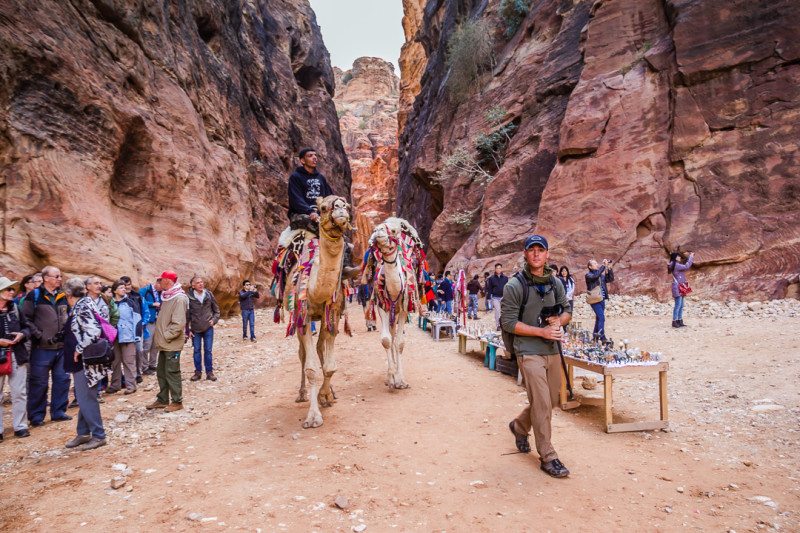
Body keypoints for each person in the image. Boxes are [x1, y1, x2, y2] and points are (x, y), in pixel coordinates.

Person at [501, 235, 572, 478]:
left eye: (541, 250)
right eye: (532, 250)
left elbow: (567, 310)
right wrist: (540, 331)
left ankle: (519, 426)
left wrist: (559, 321)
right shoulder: (514, 286)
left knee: (550, 401)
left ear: (547, 254)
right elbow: (509, 322)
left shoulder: (556, 283)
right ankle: (548, 456)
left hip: (551, 349)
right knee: (542, 402)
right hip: (527, 350)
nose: (536, 254)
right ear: (525, 253)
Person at [21, 265, 72, 426]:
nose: (59, 279)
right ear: (46, 278)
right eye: (56, 276)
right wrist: (39, 335)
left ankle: (58, 411)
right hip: (41, 348)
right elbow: (26, 320)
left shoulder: (63, 295)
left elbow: (69, 316)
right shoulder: (34, 296)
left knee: (62, 380)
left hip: (62, 346)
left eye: (59, 276)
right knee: (39, 382)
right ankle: (36, 416)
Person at [62, 277, 107, 451]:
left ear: (68, 293)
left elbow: (93, 331)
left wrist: (78, 348)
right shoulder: (85, 303)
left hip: (86, 361)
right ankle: (83, 432)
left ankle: (98, 435)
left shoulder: (82, 306)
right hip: (85, 360)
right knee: (84, 397)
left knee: (87, 397)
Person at [147, 271, 188, 412]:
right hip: (165, 343)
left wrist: (166, 336)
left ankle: (177, 401)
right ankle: (163, 399)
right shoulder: (168, 296)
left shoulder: (179, 298)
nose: (158, 281)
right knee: (161, 372)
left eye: (160, 279)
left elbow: (178, 323)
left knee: (172, 371)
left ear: (167, 281)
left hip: (172, 343)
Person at [0, 277, 31, 440]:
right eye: (8, 289)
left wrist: (22, 335)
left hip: (16, 354)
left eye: (12, 289)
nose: (12, 291)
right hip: (1, 355)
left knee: (19, 392)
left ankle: (21, 426)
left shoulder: (16, 308)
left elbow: (27, 327)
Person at [287, 147, 334, 233]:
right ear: (302, 161)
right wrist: (310, 212)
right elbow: (296, 199)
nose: (314, 157)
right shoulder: (296, 177)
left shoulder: (321, 178)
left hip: (320, 214)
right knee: (320, 228)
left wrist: (337, 200)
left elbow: (329, 196)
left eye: (315, 155)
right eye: (310, 156)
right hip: (301, 214)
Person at [108, 281, 140, 395]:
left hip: (128, 336)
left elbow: (137, 319)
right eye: (121, 287)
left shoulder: (130, 302)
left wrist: (137, 335)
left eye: (124, 287)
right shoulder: (110, 304)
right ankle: (115, 385)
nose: (124, 289)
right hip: (114, 336)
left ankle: (131, 385)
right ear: (115, 290)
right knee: (115, 362)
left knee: (129, 361)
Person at [187, 275, 220, 382]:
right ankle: (197, 373)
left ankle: (209, 373)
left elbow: (217, 310)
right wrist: (188, 329)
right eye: (198, 283)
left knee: (208, 350)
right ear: (193, 285)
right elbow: (187, 315)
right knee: (196, 351)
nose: (201, 284)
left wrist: (214, 320)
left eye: (202, 282)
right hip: (195, 329)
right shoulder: (189, 297)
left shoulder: (209, 294)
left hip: (208, 328)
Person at [119, 276, 145, 382]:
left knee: (139, 350)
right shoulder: (118, 297)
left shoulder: (137, 296)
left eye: (128, 284)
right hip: (124, 329)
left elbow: (142, 310)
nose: (127, 287)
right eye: (124, 285)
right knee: (126, 353)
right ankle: (128, 375)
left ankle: (138, 373)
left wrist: (143, 323)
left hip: (137, 327)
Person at [585, 259, 615, 341]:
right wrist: (603, 266)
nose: (596, 264)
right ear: (590, 267)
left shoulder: (601, 275)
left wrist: (608, 268)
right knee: (602, 318)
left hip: (602, 299)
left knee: (598, 318)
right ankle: (602, 337)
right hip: (594, 300)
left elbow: (610, 279)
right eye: (594, 263)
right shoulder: (588, 275)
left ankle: (595, 337)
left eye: (596, 262)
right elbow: (595, 276)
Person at [139, 279, 162, 374]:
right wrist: (152, 304)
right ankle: (144, 367)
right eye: (161, 285)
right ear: (157, 283)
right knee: (147, 344)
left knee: (155, 345)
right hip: (149, 321)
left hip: (158, 321)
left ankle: (153, 364)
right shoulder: (145, 290)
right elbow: (139, 301)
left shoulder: (162, 292)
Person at [668, 251, 694, 328]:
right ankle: (674, 321)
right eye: (678, 256)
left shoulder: (673, 264)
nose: (680, 257)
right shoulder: (675, 265)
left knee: (681, 305)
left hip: (680, 286)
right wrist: (691, 257)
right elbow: (686, 266)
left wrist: (688, 257)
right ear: (676, 257)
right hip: (678, 287)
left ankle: (679, 320)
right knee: (678, 305)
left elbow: (684, 265)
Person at [486, 263, 509, 330]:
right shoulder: (491, 278)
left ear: (501, 269)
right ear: (495, 269)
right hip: (495, 297)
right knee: (497, 311)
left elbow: (507, 288)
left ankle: (504, 324)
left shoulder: (505, 278)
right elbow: (489, 288)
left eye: (500, 268)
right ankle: (498, 325)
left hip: (503, 297)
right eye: (497, 268)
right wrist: (488, 297)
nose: (498, 269)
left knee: (504, 311)